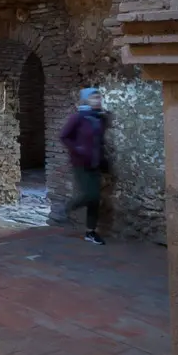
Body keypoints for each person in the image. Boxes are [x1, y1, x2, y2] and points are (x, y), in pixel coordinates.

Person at [58, 87, 108, 245]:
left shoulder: (99, 118)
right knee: (91, 195)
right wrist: (78, 149)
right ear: (86, 100)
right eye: (93, 98)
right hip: (81, 163)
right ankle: (67, 207)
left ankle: (90, 232)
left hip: (96, 162)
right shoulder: (78, 117)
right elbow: (64, 136)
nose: (97, 100)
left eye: (98, 97)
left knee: (95, 200)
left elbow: (99, 140)